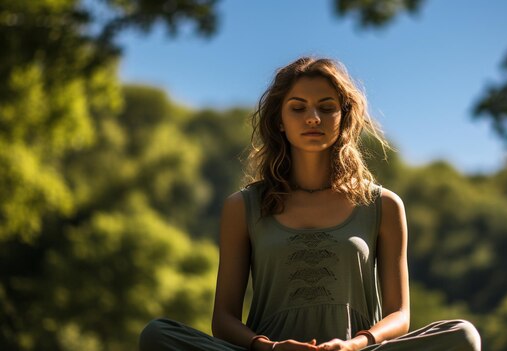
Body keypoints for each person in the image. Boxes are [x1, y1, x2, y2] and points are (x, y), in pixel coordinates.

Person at [139, 57, 481, 351]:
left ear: (344, 118)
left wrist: (357, 343)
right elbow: (223, 320)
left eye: (327, 107)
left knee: (462, 336)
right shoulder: (242, 207)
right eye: (298, 107)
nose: (313, 117)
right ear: (279, 121)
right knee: (158, 335)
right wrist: (269, 347)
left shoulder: (383, 204)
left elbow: (401, 315)